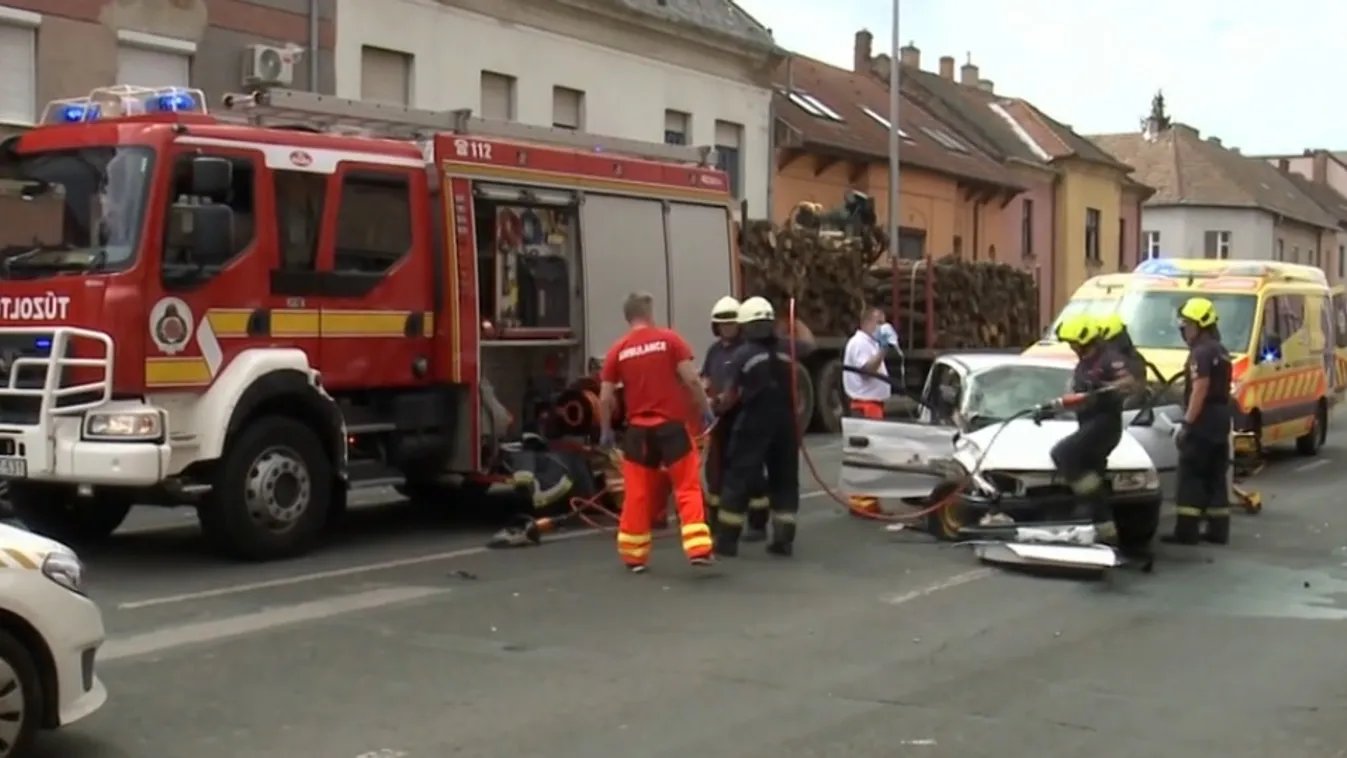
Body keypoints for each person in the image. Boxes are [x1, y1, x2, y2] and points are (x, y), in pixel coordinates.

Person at [598, 291, 715, 573]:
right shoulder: (669, 340)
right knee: (686, 487)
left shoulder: (618, 349)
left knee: (637, 494)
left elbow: (605, 398)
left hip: (637, 432)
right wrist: (704, 409)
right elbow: (691, 380)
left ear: (628, 317)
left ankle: (633, 556)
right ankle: (698, 549)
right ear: (649, 314)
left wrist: (605, 430)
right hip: (672, 429)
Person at [713, 296, 812, 557]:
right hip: (787, 425)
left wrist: (717, 406)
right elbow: (811, 344)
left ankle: (726, 541)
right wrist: (794, 321)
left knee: (738, 478)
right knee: (785, 479)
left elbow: (730, 395)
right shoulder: (787, 348)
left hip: (754, 423)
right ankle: (783, 539)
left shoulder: (742, 354)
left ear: (745, 326)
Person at [1042, 314, 1132, 547]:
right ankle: (1104, 533)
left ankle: (1096, 506)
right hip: (1089, 422)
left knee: (1063, 453)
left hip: (1105, 425)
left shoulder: (1109, 359)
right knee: (1090, 471)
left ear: (1085, 340)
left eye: (1074, 343)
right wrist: (1052, 408)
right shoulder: (1083, 364)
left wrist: (1103, 389)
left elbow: (1128, 384)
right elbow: (1076, 396)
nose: (1072, 347)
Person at [700, 296, 772, 540]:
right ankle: (716, 520)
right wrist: (703, 396)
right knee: (715, 470)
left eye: (731, 323)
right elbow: (706, 377)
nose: (727, 328)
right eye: (722, 324)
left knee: (747, 471)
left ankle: (757, 521)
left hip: (741, 417)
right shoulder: (714, 351)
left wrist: (722, 401)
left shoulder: (746, 350)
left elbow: (741, 388)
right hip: (719, 420)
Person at [1164, 296, 1233, 545]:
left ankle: (1187, 531)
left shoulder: (1200, 352)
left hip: (1204, 418)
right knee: (1215, 474)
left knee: (1191, 473)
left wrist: (1188, 423)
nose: (1185, 330)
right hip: (1221, 417)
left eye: (1188, 325)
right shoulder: (1220, 350)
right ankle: (1218, 530)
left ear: (1200, 324)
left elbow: (1200, 388)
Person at [841, 305, 896, 515]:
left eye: (884, 323)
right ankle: (863, 505)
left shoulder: (868, 343)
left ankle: (865, 502)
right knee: (868, 456)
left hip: (871, 405)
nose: (883, 327)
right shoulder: (860, 343)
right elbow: (867, 370)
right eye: (879, 323)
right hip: (865, 406)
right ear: (866, 323)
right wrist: (884, 348)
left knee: (870, 455)